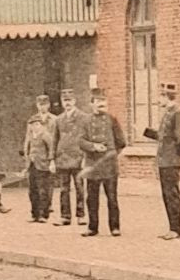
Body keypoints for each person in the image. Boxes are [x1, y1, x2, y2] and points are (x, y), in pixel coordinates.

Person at [144, 81, 180, 239]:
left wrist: (175, 157)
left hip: (170, 162)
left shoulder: (177, 113)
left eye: (160, 96)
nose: (158, 100)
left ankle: (175, 229)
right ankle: (172, 227)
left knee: (172, 195)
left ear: (166, 96)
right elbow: (164, 137)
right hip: (165, 161)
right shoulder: (168, 113)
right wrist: (146, 132)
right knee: (167, 194)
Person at [79, 89, 125, 236]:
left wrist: (111, 153)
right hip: (93, 165)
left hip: (109, 166)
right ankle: (92, 227)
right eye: (98, 102)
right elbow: (80, 141)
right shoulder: (85, 121)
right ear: (91, 104)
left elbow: (121, 142)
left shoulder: (112, 119)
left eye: (103, 102)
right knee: (91, 199)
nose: (101, 105)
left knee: (112, 198)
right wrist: (93, 147)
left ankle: (115, 227)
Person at [51, 88, 89, 226]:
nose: (67, 103)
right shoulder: (59, 119)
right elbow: (55, 140)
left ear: (74, 101)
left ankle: (81, 215)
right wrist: (52, 159)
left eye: (70, 100)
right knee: (63, 189)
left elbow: (87, 138)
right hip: (62, 158)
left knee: (79, 187)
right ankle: (65, 216)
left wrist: (85, 157)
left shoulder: (83, 117)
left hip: (78, 157)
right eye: (65, 100)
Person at [23, 95, 56, 222]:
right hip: (32, 162)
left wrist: (52, 159)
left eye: (45, 104)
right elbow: (27, 141)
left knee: (45, 187)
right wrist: (26, 156)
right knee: (33, 189)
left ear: (48, 105)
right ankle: (35, 213)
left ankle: (44, 212)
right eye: (40, 104)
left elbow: (52, 143)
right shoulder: (31, 124)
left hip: (45, 160)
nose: (42, 106)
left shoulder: (54, 120)